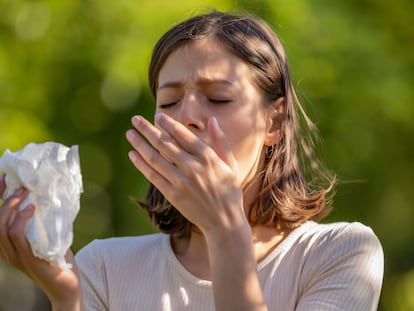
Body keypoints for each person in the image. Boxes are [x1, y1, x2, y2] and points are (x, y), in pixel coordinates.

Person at [0, 10, 383, 311]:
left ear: (275, 121)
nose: (186, 117)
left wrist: (225, 230)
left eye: (217, 98)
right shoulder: (104, 267)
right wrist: (67, 299)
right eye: (168, 102)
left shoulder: (340, 253)